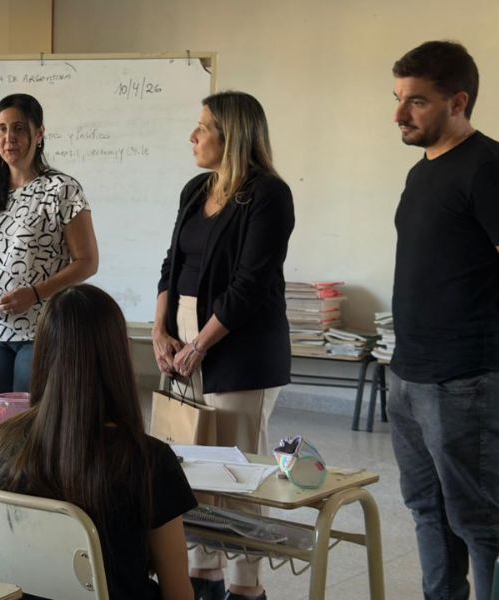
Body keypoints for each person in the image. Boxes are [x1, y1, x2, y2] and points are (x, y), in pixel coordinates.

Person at [153, 91, 294, 600]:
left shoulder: (268, 194)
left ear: (231, 135)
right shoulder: (196, 188)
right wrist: (160, 330)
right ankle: (203, 576)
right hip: (186, 344)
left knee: (237, 477)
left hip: (239, 353)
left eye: (203, 127)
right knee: (191, 472)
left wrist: (200, 345)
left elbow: (250, 284)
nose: (193, 136)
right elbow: (172, 264)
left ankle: (245, 587)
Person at [0, 284, 196, 600]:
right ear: (118, 355)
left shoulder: (5, 440)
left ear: (42, 352)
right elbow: (178, 592)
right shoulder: (149, 459)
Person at [389, 40, 499, 600]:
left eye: (417, 102)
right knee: (426, 510)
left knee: (480, 523)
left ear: (459, 102)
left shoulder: (488, 168)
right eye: (398, 98)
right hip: (407, 374)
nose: (399, 114)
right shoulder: (420, 172)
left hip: (465, 380)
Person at [0, 93, 99, 398]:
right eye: (2, 129)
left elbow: (87, 261)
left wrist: (35, 294)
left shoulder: (62, 189)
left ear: (39, 133)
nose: (10, 138)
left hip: (41, 328)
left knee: (30, 417)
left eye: (19, 129)